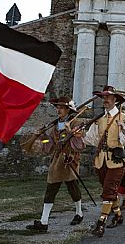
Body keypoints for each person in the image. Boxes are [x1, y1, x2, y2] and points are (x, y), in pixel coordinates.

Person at [83, 86, 125, 237]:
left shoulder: (124, 118)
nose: (105, 100)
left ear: (115, 100)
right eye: (103, 97)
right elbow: (92, 140)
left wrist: (124, 129)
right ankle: (118, 215)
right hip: (101, 160)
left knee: (108, 191)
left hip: (116, 161)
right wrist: (78, 134)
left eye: (108, 97)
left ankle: (101, 223)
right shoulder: (99, 119)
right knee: (110, 191)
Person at [26, 96, 85, 233]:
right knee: (51, 188)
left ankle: (79, 213)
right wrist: (41, 137)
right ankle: (44, 222)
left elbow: (80, 142)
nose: (58, 110)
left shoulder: (76, 123)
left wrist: (70, 130)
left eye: (61, 108)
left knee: (72, 187)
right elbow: (50, 143)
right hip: (57, 160)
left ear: (68, 110)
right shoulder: (55, 126)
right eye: (57, 107)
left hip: (69, 159)